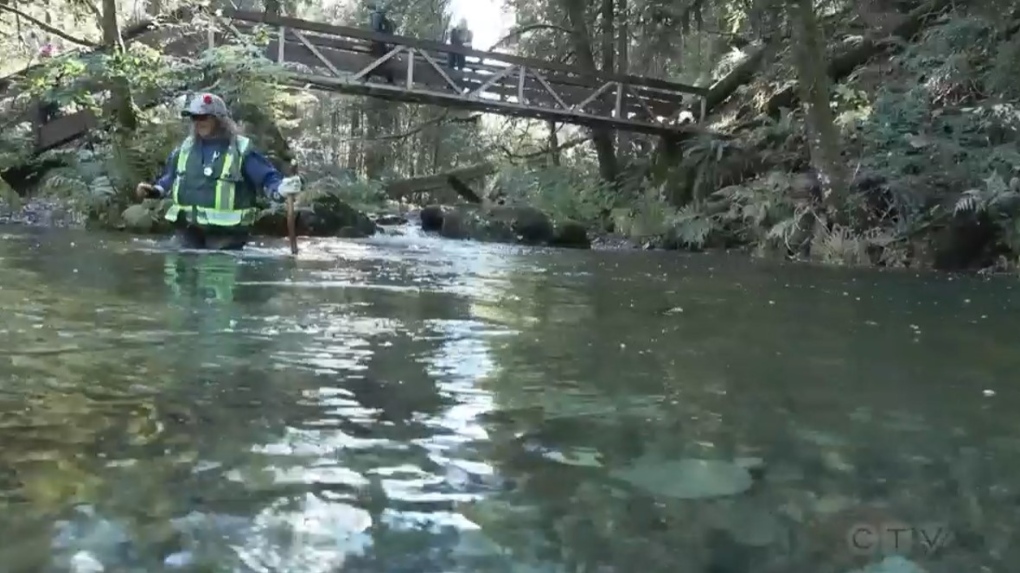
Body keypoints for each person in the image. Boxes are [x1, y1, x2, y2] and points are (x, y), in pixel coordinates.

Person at [135, 92, 301, 251]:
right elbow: (170, 178)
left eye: (204, 117)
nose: (199, 122)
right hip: (188, 233)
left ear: (220, 120)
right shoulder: (184, 149)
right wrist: (155, 191)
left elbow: (267, 178)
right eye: (195, 117)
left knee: (217, 273)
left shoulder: (241, 150)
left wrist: (281, 189)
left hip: (227, 237)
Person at [368, 3, 395, 84]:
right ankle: (389, 80)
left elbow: (377, 30)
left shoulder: (377, 17)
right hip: (379, 45)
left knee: (381, 62)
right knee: (383, 61)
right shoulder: (379, 18)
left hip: (378, 45)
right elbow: (385, 31)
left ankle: (367, 76)